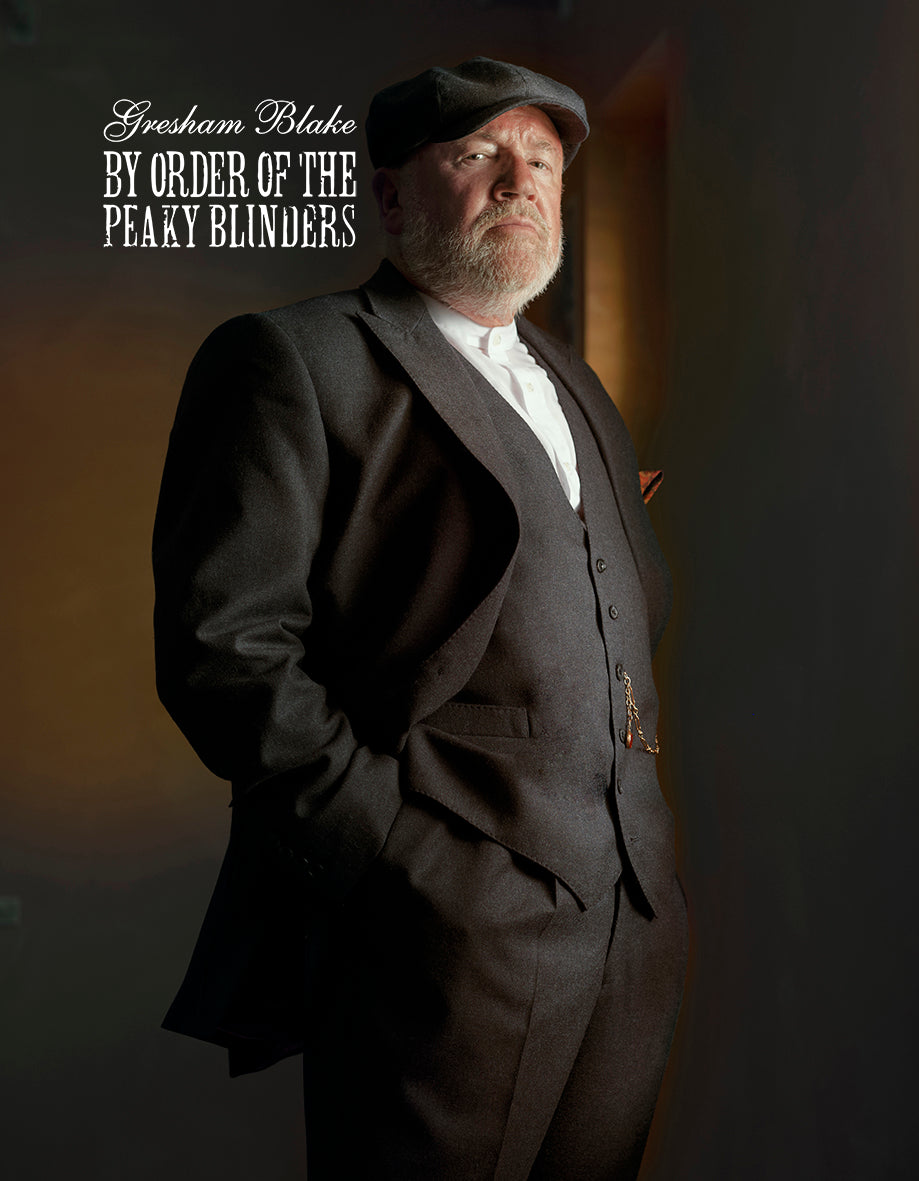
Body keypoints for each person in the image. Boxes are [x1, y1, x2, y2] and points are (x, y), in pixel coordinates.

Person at [154, 56, 688, 1181]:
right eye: (475, 155)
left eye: (539, 160)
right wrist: (394, 856)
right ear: (392, 194)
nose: (519, 180)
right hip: (443, 925)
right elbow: (224, 646)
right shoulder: (291, 360)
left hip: (632, 913)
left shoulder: (575, 380)